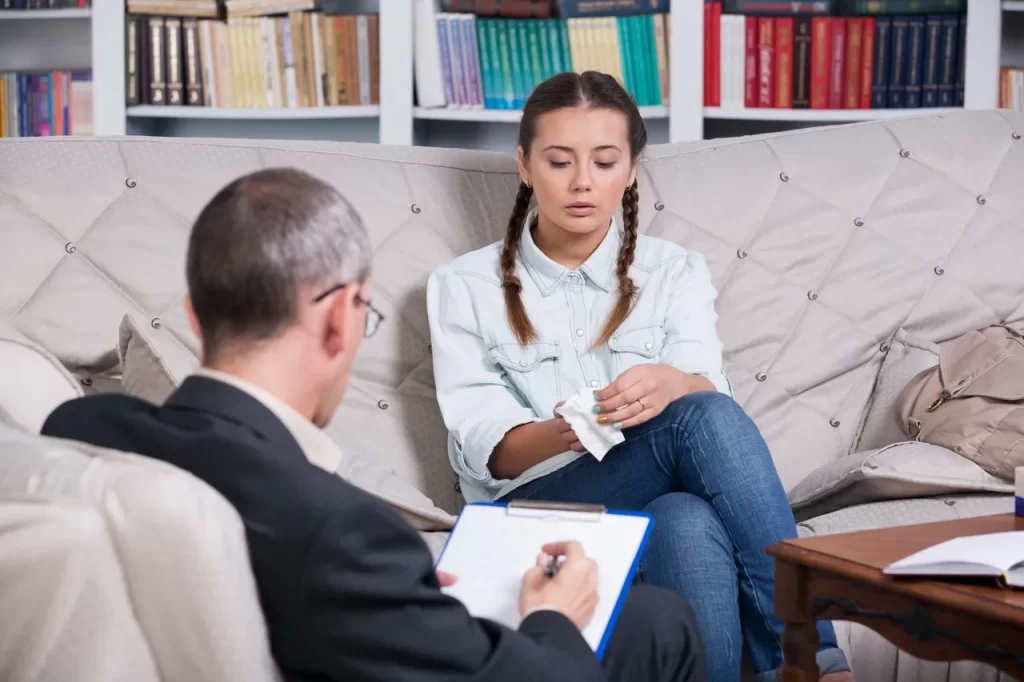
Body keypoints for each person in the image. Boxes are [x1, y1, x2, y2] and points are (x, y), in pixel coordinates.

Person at [40, 167, 707, 682]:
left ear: (194, 313)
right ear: (339, 319)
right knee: (660, 621)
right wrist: (554, 617)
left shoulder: (81, 424)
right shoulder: (342, 532)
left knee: (646, 616)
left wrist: (397, 599)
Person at [426, 71, 855, 682]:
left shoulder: (673, 271)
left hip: (652, 493)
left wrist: (674, 384)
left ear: (630, 170)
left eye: (604, 162)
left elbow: (712, 396)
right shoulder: (462, 286)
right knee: (697, 422)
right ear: (524, 165)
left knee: (687, 514)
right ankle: (817, 664)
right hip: (535, 511)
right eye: (558, 161)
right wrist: (572, 428)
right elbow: (483, 452)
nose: (582, 183)